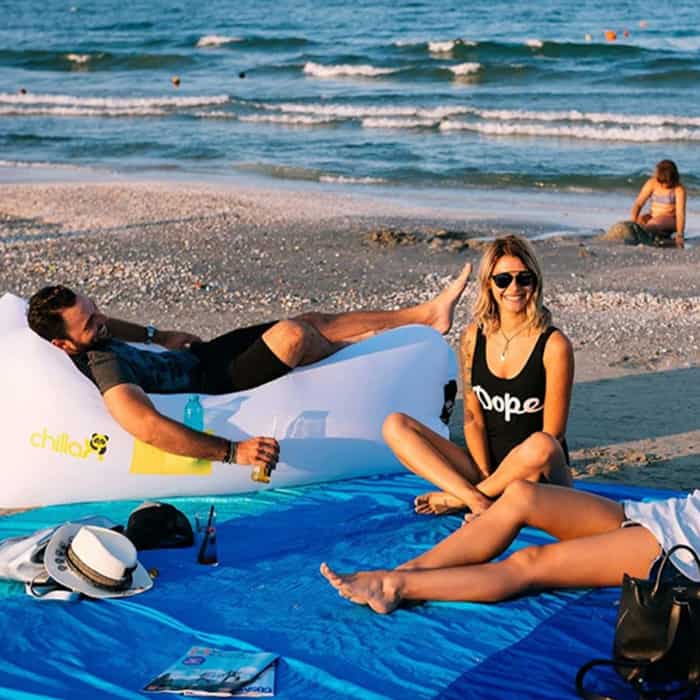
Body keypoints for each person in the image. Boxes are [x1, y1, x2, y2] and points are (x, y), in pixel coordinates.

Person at [26, 264, 471, 473]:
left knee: (308, 321)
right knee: (294, 336)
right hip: (215, 383)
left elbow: (106, 324)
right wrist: (231, 452)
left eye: (94, 309)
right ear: (63, 344)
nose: (100, 320)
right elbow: (145, 426)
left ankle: (423, 315)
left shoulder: (91, 334)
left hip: (200, 357)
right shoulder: (104, 366)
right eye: (89, 323)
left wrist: (157, 334)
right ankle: (363, 349)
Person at [382, 235, 573, 517]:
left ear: (536, 282)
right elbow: (473, 418)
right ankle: (479, 499)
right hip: (486, 468)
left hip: (538, 473)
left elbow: (554, 435)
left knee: (542, 443)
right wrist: (484, 474)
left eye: (524, 278)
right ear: (488, 284)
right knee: (395, 426)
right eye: (503, 280)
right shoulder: (472, 337)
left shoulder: (554, 345)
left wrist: (476, 489)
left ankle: (460, 499)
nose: (514, 288)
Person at [320, 480, 700, 614]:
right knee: (521, 496)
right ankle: (411, 569)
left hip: (682, 549)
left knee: (530, 562)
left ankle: (393, 586)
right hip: (674, 513)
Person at [630, 159, 686, 248]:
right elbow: (638, 204)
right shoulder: (652, 183)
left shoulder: (678, 189)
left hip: (670, 219)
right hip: (653, 216)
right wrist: (633, 222)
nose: (663, 185)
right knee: (640, 221)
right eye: (661, 182)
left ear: (674, 178)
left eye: (666, 182)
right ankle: (644, 234)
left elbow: (680, 214)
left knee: (653, 224)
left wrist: (680, 234)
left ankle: (648, 234)